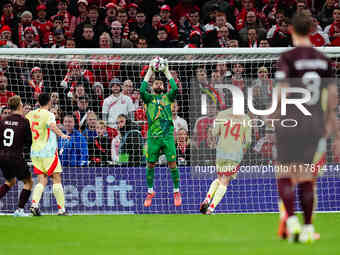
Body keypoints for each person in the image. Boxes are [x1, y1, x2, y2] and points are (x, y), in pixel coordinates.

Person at [275, 14, 340, 243]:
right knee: (305, 176)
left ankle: (291, 221)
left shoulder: (288, 57)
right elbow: (332, 100)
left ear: (291, 29)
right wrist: (336, 132)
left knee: (284, 172)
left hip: (291, 120)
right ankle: (309, 228)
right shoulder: (323, 59)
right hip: (314, 123)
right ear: (312, 29)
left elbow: (281, 93)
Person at [140, 58, 181, 207]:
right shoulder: (148, 98)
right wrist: (150, 70)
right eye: (156, 83)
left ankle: (176, 191)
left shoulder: (167, 97)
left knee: (172, 163)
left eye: (161, 83)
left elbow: (175, 89)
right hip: (153, 137)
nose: (159, 84)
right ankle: (150, 191)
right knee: (150, 164)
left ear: (163, 87)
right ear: (153, 86)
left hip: (167, 136)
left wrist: (166, 71)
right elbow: (141, 89)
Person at [200, 106, 252, 215]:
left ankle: (207, 199)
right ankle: (211, 209)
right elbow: (248, 141)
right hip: (234, 154)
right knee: (225, 181)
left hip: (221, 152)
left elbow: (214, 133)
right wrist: (242, 150)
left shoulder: (222, 114)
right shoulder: (246, 119)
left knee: (219, 178)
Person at [26, 93, 70, 216]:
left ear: (38, 102)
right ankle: (61, 209)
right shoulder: (49, 114)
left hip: (35, 152)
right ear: (49, 102)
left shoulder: (30, 114)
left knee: (42, 180)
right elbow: (52, 126)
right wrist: (62, 135)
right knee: (56, 178)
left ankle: (34, 205)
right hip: (48, 152)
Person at [0, 96, 33, 216]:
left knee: (10, 181)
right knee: (28, 182)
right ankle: (19, 210)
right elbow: (29, 142)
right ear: (19, 105)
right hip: (16, 156)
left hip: (2, 156)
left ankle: (19, 209)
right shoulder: (24, 121)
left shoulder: (2, 121)